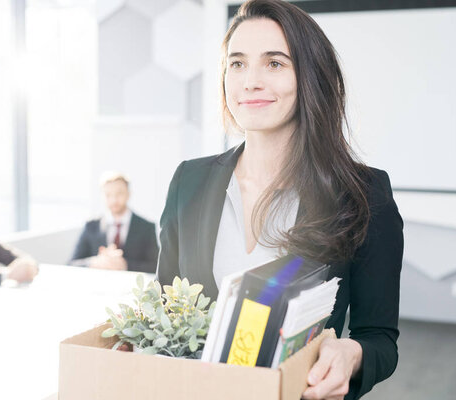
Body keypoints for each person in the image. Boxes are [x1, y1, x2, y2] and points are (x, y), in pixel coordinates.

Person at [156, 1, 403, 399]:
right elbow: (165, 309)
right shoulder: (190, 181)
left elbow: (378, 339)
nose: (250, 81)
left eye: (274, 63)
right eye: (236, 64)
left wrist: (347, 353)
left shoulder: (363, 194)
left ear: (311, 78)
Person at [70, 172, 159, 273]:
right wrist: (95, 262)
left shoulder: (146, 227)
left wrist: (125, 265)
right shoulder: (91, 226)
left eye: (119, 193)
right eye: (108, 195)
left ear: (128, 194)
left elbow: (156, 266)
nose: (114, 199)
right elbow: (72, 263)